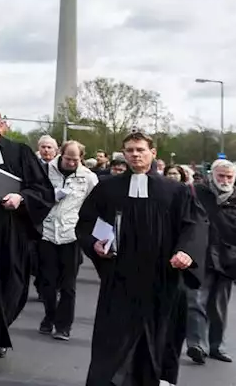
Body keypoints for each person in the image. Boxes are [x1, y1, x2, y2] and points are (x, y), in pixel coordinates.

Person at [76, 132, 204, 386]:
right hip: (120, 276)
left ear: (153, 153)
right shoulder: (108, 188)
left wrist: (185, 252)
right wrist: (94, 243)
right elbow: (86, 222)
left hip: (161, 277)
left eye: (140, 149)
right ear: (123, 154)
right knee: (112, 340)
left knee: (158, 339)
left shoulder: (175, 191)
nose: (135, 154)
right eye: (130, 150)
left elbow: (195, 225)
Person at [0, 106, 54, 358]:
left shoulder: (20, 152)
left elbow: (42, 189)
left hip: (10, 230)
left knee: (12, 284)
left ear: (2, 124)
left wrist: (21, 198)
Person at [186, 159, 236, 364]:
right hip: (200, 257)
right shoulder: (196, 194)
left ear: (235, 178)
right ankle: (197, 345)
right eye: (221, 176)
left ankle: (216, 346)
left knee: (218, 307)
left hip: (228, 259)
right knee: (196, 301)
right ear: (212, 175)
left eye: (229, 177)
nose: (225, 180)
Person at [36, 140, 97, 341]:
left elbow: (94, 204)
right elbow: (34, 194)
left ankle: (63, 326)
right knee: (47, 282)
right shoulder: (45, 170)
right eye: (68, 158)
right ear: (61, 154)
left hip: (71, 234)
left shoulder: (88, 178)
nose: (71, 163)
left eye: (75, 159)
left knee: (68, 285)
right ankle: (49, 316)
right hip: (47, 232)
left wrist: (87, 230)